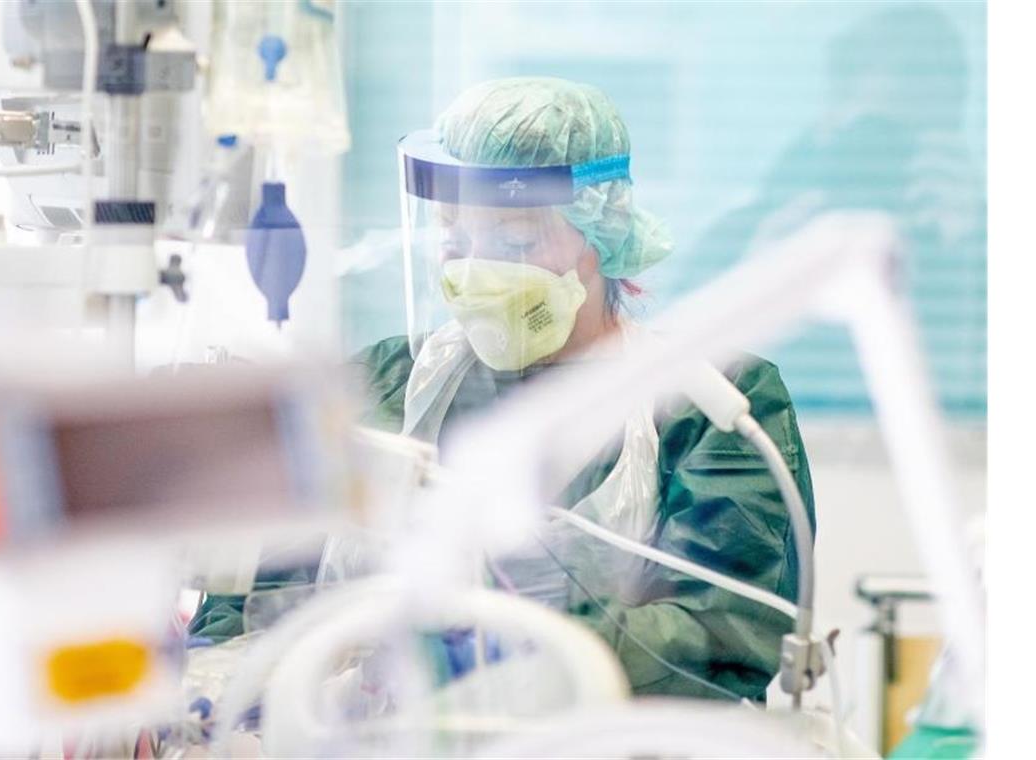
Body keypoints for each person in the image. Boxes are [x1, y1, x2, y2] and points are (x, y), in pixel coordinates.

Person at [350, 76, 817, 701]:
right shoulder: (386, 383)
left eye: (515, 240)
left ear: (602, 232)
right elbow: (264, 585)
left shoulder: (713, 402)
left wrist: (490, 652)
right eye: (454, 239)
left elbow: (721, 635)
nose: (475, 269)